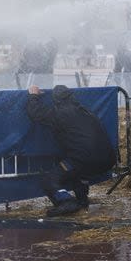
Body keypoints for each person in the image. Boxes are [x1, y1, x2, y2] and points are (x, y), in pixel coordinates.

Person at [26, 85, 116, 217]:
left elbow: (35, 113)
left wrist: (33, 95)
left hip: (84, 159)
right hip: (108, 160)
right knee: (78, 172)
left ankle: (65, 201)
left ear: (55, 100)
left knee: (49, 179)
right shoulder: (86, 111)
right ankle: (82, 199)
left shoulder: (59, 113)